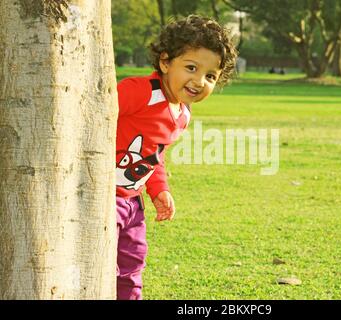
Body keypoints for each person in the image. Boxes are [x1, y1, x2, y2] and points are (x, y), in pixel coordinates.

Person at [115, 15, 237, 300]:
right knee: (97, 259)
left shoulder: (183, 114)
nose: (199, 81)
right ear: (165, 62)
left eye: (210, 76)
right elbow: (95, 115)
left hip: (133, 202)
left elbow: (155, 156)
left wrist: (160, 190)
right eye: (191, 68)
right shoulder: (140, 92)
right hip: (103, 198)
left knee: (132, 263)